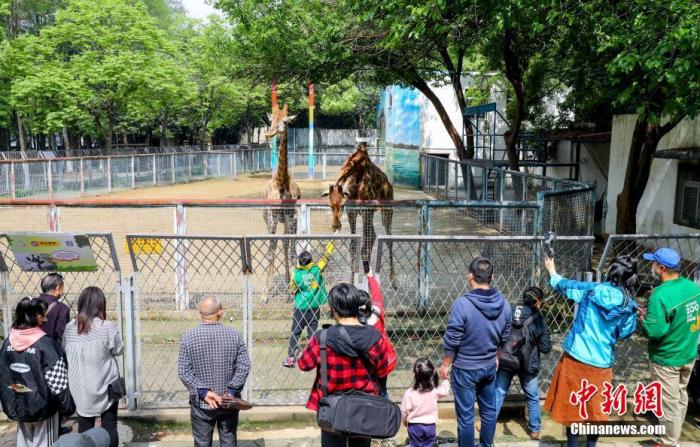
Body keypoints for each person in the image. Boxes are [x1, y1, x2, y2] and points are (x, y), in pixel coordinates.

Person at [543, 255, 638, 447]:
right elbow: (625, 333)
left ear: (611, 271)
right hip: (601, 363)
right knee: (596, 409)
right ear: (630, 277)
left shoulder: (591, 290)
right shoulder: (628, 305)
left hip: (576, 357)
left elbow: (563, 285)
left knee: (573, 406)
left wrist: (552, 270)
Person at [298, 283, 393, 447]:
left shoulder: (322, 337)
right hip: (364, 408)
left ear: (334, 309)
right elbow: (383, 369)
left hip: (332, 409)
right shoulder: (375, 337)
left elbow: (303, 364)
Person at [438, 257, 511, 447]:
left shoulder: (462, 304)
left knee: (466, 417)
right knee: (488, 412)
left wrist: (446, 364)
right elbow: (504, 337)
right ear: (492, 276)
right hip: (489, 367)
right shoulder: (505, 305)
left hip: (464, 369)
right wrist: (496, 357)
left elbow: (452, 339)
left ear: (470, 276)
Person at [640, 247, 700, 447]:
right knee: (680, 396)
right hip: (688, 353)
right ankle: (672, 437)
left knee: (668, 403)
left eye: (653, 263)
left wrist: (645, 319)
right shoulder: (693, 287)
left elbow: (655, 331)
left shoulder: (659, 294)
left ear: (662, 268)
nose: (651, 266)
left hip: (667, 358)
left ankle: (668, 442)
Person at [0, 297, 74, 447]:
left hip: (17, 405)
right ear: (38, 317)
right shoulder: (46, 344)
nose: (46, 319)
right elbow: (57, 382)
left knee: (24, 442)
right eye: (44, 315)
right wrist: (68, 407)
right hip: (43, 410)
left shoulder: (7, 343)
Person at [178, 296, 251, 447]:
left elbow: (184, 372)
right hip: (228, 402)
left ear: (200, 313)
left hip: (202, 403)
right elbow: (244, 366)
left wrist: (204, 392)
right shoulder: (234, 336)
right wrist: (230, 392)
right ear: (220, 313)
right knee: (229, 440)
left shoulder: (188, 338)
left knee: (202, 443)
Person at [62, 287, 124, 447]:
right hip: (105, 387)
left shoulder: (70, 328)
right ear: (100, 304)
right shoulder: (106, 327)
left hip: (79, 388)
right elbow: (118, 350)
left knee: (84, 427)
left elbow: (64, 349)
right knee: (110, 427)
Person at [494, 286, 552, 440]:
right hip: (528, 364)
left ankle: (488, 424)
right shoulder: (539, 319)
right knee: (532, 396)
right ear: (538, 302)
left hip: (506, 359)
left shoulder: (508, 310)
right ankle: (534, 430)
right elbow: (546, 348)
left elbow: (497, 332)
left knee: (498, 392)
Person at [284, 242, 335, 367]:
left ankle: (291, 357)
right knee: (312, 332)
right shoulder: (317, 269)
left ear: (300, 262)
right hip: (314, 307)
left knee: (295, 332)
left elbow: (292, 289)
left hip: (300, 308)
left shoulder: (296, 274)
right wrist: (331, 243)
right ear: (311, 261)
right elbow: (325, 257)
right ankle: (312, 356)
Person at [357, 266, 398, 397]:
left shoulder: (356, 324)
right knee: (383, 390)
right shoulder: (377, 310)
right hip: (384, 360)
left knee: (368, 391)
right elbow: (377, 294)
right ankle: (385, 411)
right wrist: (370, 275)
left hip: (368, 364)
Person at [400, 358, 451, 447]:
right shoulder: (435, 391)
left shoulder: (410, 393)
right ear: (432, 374)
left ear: (415, 375)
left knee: (415, 445)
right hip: (430, 426)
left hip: (414, 426)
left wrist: (404, 420)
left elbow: (404, 411)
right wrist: (446, 379)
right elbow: (445, 390)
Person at [38, 273, 70, 346]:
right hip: (50, 351)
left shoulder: (30, 303)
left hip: (31, 351)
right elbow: (62, 338)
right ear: (58, 287)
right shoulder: (62, 309)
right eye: (63, 287)